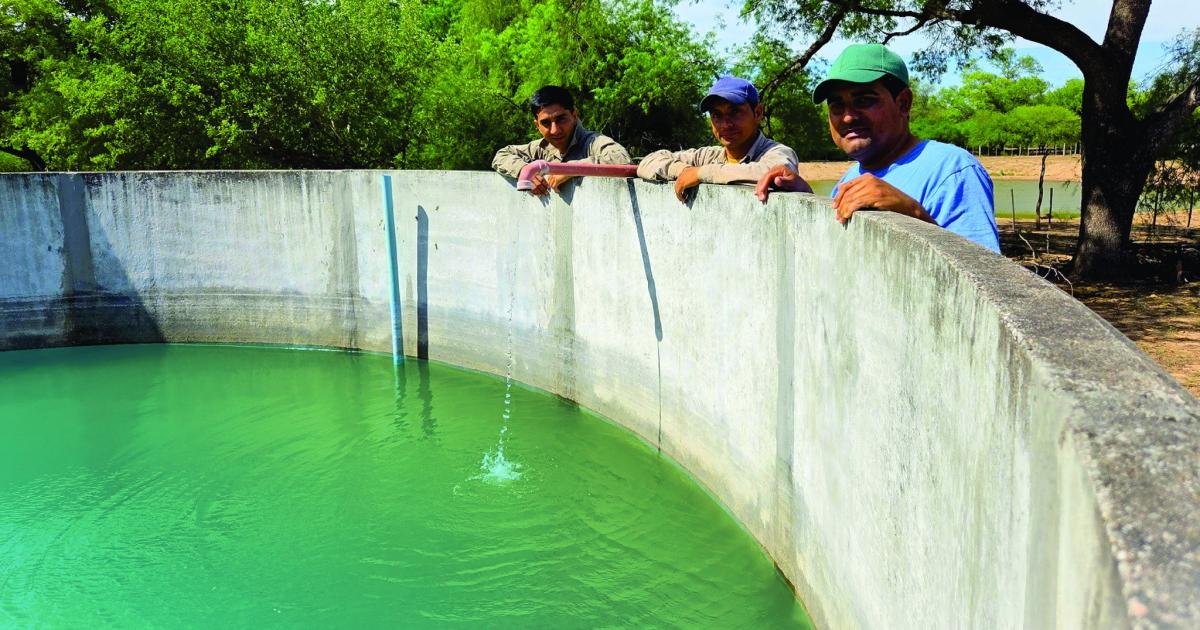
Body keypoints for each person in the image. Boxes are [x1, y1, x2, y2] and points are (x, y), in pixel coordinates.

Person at [755, 44, 1001, 253]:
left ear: (903, 103)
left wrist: (913, 214)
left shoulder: (952, 170)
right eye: (837, 106)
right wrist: (806, 197)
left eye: (864, 100)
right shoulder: (851, 177)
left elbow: (985, 281)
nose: (848, 117)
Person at [637, 76, 799, 203]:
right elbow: (648, 162)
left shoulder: (778, 153)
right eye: (717, 115)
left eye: (735, 112)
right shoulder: (706, 156)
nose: (725, 124)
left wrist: (701, 173)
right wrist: (684, 171)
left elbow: (770, 173)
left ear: (757, 113)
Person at [492, 85, 631, 196]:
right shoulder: (540, 147)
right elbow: (502, 155)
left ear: (574, 115)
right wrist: (525, 171)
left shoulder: (592, 142)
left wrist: (570, 169)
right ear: (537, 125)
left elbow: (621, 159)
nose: (555, 130)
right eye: (546, 123)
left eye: (561, 119)